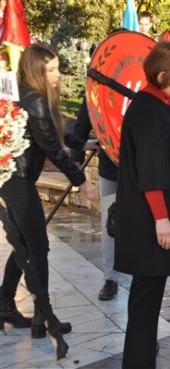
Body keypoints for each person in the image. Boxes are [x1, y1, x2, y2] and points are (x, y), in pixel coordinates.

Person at [0, 44, 96, 337]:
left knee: (24, 245)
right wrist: (81, 180)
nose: (58, 75)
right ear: (37, 71)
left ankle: (4, 305)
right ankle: (42, 317)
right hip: (19, 181)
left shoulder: (24, 94)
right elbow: (52, 147)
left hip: (14, 179)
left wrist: (83, 144)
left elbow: (54, 132)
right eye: (52, 69)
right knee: (38, 248)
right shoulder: (36, 100)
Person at [115, 41, 170, 369]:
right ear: (162, 76)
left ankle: (142, 353)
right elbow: (150, 172)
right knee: (147, 296)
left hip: (150, 216)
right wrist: (163, 220)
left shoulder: (158, 103)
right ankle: (137, 361)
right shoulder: (148, 110)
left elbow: (161, 156)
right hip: (149, 220)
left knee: (147, 295)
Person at [70, 99, 121, 301]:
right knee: (110, 223)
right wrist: (76, 160)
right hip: (111, 168)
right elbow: (81, 127)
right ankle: (111, 278)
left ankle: (144, 275)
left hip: (143, 167)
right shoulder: (98, 90)